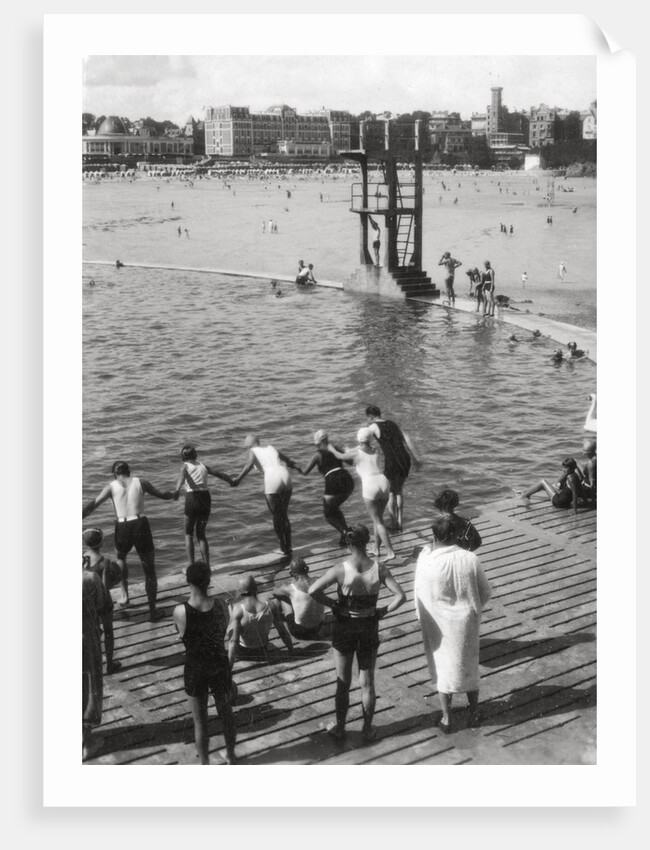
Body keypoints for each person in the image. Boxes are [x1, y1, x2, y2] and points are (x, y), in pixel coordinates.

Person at [308, 525, 406, 742]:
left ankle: (340, 728)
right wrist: (382, 611)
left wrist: (333, 604)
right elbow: (401, 596)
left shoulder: (340, 569)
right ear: (367, 541)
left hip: (345, 626)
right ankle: (367, 729)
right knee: (368, 682)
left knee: (343, 681)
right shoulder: (379, 569)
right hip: (368, 626)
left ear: (348, 543)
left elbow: (313, 590)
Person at [414, 516, 491, 733]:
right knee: (469, 665)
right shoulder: (470, 558)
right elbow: (485, 592)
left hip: (439, 624)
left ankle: (447, 719)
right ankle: (474, 712)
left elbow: (420, 594)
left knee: (444, 668)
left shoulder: (428, 561)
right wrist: (471, 610)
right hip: (467, 622)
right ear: (455, 535)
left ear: (434, 536)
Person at [82, 461, 175, 620]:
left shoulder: (110, 487)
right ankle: (153, 611)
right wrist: (175, 493)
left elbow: (93, 504)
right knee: (149, 569)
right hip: (140, 524)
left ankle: (125, 596)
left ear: (114, 474)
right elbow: (163, 495)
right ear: (129, 471)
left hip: (122, 526)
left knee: (121, 560)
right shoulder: (142, 482)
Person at [173, 561, 237, 764]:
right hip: (219, 662)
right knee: (226, 713)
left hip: (195, 667)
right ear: (208, 581)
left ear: (187, 581)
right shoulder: (221, 605)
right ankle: (231, 755)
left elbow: (181, 634)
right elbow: (223, 630)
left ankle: (204, 764)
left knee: (200, 722)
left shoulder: (180, 611)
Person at [326, 429, 395, 560]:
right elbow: (362, 448)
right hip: (383, 482)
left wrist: (330, 448)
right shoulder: (376, 449)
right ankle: (376, 548)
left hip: (370, 485)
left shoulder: (357, 453)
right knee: (378, 519)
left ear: (359, 439)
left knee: (378, 521)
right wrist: (349, 449)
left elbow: (340, 456)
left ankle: (390, 552)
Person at [231, 436, 300, 557]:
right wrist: (298, 468)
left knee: (276, 516)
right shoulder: (271, 447)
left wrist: (237, 480)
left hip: (272, 477)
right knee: (284, 514)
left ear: (250, 446)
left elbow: (248, 465)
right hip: (285, 474)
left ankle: (282, 548)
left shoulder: (253, 451)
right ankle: (288, 547)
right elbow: (288, 461)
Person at [172, 444, 234, 567]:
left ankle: (192, 566)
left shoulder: (185, 466)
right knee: (201, 534)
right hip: (205, 498)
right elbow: (219, 474)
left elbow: (181, 477)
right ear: (195, 455)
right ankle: (207, 566)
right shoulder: (203, 465)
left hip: (192, 497)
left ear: (182, 457)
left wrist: (177, 490)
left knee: (188, 534)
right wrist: (231, 481)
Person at [365, 405, 421, 533]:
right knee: (399, 491)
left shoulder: (373, 426)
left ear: (371, 417)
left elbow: (364, 441)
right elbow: (406, 439)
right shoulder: (392, 423)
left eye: (367, 418)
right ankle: (400, 522)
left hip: (392, 461)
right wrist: (415, 459)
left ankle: (393, 522)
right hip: (404, 458)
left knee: (390, 492)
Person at [300, 429, 355, 545]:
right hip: (347, 479)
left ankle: (345, 532)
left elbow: (305, 472)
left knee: (328, 514)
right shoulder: (336, 449)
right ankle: (345, 534)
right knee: (334, 508)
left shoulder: (317, 454)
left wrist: (293, 466)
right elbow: (350, 462)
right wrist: (344, 450)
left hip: (333, 481)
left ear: (317, 442)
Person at [82, 527, 122, 674]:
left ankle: (94, 662)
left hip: (87, 603)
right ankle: (110, 663)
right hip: (103, 602)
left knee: (94, 632)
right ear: (102, 542)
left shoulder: (81, 559)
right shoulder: (105, 562)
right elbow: (104, 586)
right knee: (108, 631)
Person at [228, 575, 293, 662]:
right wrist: (291, 650)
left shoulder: (238, 609)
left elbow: (233, 642)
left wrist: (228, 667)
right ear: (256, 589)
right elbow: (282, 631)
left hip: (244, 653)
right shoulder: (270, 605)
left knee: (231, 622)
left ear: (240, 592)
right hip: (262, 649)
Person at [83, 562, 106, 760]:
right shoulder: (90, 578)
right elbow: (100, 603)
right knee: (90, 685)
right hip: (86, 636)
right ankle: (86, 742)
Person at [273, 557, 325, 640]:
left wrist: (287, 585)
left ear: (291, 573)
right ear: (307, 569)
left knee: (283, 597)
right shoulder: (318, 581)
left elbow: (274, 592)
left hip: (299, 632)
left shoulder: (290, 588)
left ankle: (278, 616)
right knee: (293, 596)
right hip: (317, 628)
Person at [522, 457, 588, 515]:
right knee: (550, 486)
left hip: (559, 503)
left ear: (571, 468)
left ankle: (525, 495)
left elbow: (574, 494)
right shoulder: (575, 475)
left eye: (565, 468)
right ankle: (526, 492)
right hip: (565, 501)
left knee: (543, 482)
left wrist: (575, 511)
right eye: (563, 467)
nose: (563, 470)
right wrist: (586, 501)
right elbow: (581, 489)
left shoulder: (570, 478)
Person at [580, 439, 597, 507]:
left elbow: (592, 485)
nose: (583, 452)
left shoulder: (591, 463)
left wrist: (593, 501)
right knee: (574, 463)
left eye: (584, 451)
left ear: (589, 452)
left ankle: (558, 485)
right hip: (588, 482)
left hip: (588, 490)